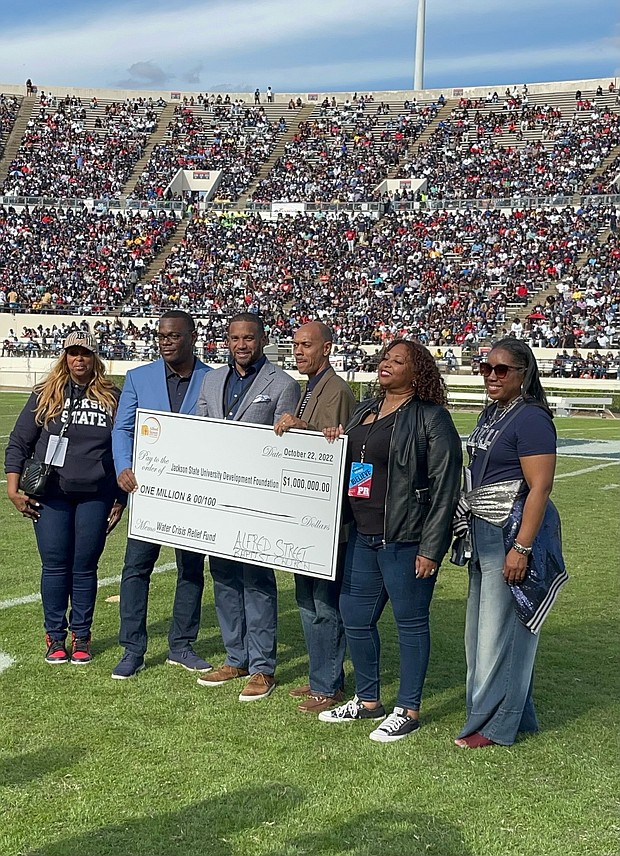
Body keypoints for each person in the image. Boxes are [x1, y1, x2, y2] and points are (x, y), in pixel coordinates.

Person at [319, 339, 462, 742]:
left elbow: (445, 488)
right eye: (385, 357)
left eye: (398, 361)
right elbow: (350, 458)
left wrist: (431, 548)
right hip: (363, 534)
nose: (386, 364)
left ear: (417, 374)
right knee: (356, 618)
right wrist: (334, 435)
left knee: (410, 623)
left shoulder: (431, 418)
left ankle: (409, 709)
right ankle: (368, 701)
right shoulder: (366, 410)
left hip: (405, 538)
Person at [454, 338, 564, 748]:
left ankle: (495, 725)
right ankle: (513, 714)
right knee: (480, 634)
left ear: (524, 374)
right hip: (484, 530)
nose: (492, 376)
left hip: (512, 532)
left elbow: (540, 487)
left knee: (505, 632)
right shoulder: (493, 412)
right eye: (486, 368)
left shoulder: (532, 418)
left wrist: (522, 547)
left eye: (502, 370)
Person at [195, 313, 300, 701]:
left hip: (258, 500)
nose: (241, 345)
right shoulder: (210, 380)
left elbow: (282, 447)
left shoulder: (284, 384)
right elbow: (202, 432)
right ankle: (235, 656)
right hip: (219, 499)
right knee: (222, 578)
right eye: (235, 338)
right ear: (227, 340)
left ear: (262, 340)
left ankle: (262, 667)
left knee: (256, 582)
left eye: (249, 338)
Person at [5, 331, 125, 664]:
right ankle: (55, 637)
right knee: (55, 567)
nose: (78, 359)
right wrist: (12, 488)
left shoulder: (112, 397)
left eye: (85, 353)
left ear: (95, 358)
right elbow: (19, 443)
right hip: (51, 495)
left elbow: (122, 451)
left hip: (95, 495)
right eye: (72, 353)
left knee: (85, 568)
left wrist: (119, 498)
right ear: (64, 357)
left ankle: (82, 636)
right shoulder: (45, 394)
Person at [111, 311, 212, 679]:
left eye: (173, 335)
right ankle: (132, 648)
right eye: (161, 335)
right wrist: (124, 465)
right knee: (136, 568)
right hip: (148, 493)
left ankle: (182, 645)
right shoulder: (139, 377)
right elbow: (122, 428)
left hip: (193, 495)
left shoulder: (212, 379)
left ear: (192, 336)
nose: (166, 341)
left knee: (191, 569)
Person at [274, 321, 356, 714]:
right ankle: (319, 677)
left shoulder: (336, 388)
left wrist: (300, 427)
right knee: (306, 600)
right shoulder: (309, 388)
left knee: (325, 603)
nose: (299, 351)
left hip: (327, 518)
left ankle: (329, 685)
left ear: (327, 348)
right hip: (304, 515)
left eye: (307, 345)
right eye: (295, 345)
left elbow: (335, 446)